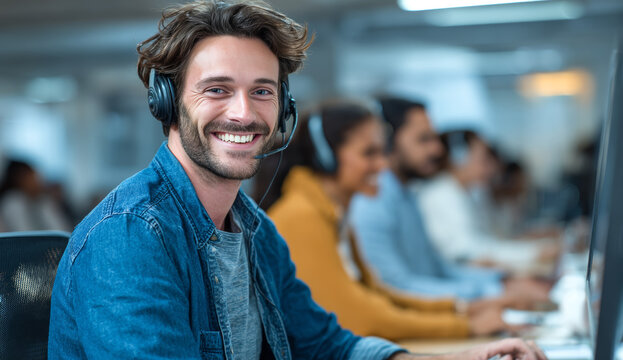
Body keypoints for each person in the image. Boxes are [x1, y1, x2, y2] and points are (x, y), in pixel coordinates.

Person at [48, 2, 547, 359]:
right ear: (166, 102)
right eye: (217, 90)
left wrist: (465, 357)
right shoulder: (132, 235)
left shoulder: (257, 232)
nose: (243, 113)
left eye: (261, 91)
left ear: (284, 110)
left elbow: (328, 345)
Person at [267, 100, 510, 341]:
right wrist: (462, 326)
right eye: (369, 153)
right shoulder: (302, 216)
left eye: (383, 152)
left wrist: (460, 309)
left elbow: (378, 294)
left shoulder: (332, 214)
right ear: (326, 157)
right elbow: (360, 317)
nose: (383, 165)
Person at [349, 97, 549, 306]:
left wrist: (501, 281)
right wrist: (493, 292)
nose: (437, 150)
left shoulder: (407, 196)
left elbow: (438, 269)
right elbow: (396, 287)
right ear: (387, 142)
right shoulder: (372, 201)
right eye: (423, 139)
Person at [417, 130, 559, 275]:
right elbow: (469, 253)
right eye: (483, 159)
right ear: (459, 158)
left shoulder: (465, 194)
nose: (489, 167)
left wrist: (533, 250)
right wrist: (533, 252)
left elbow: (485, 244)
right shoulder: (440, 195)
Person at [0, 160, 73, 232]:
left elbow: (62, 230)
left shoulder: (44, 201)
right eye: (32, 176)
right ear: (18, 179)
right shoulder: (12, 202)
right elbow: (24, 234)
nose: (37, 180)